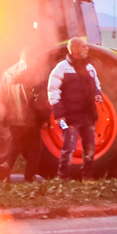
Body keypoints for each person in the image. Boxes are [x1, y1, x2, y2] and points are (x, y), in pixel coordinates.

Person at [47, 37, 103, 180]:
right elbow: (53, 91)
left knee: (90, 148)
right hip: (70, 118)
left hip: (88, 116)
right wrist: (59, 115)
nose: (87, 48)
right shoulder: (61, 68)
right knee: (68, 148)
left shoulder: (90, 67)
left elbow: (97, 85)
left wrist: (97, 94)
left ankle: (88, 177)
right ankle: (63, 176)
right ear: (75, 49)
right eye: (84, 46)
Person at [0, 49, 48, 182]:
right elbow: (40, 99)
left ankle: (6, 169)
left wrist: (5, 117)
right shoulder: (34, 73)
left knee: (16, 145)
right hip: (29, 119)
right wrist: (44, 118)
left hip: (12, 119)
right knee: (35, 150)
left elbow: (1, 97)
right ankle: (29, 178)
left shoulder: (6, 73)